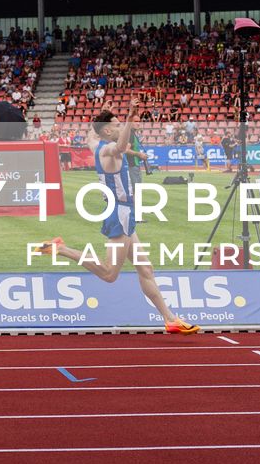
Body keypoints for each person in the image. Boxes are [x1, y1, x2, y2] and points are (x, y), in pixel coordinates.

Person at [37, 111, 201, 335]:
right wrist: (131, 116)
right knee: (109, 274)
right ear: (107, 131)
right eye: (116, 125)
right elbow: (121, 147)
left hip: (125, 212)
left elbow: (90, 137)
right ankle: (60, 248)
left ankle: (170, 319)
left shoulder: (97, 145)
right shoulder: (108, 151)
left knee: (145, 268)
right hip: (120, 213)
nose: (120, 127)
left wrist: (102, 116)